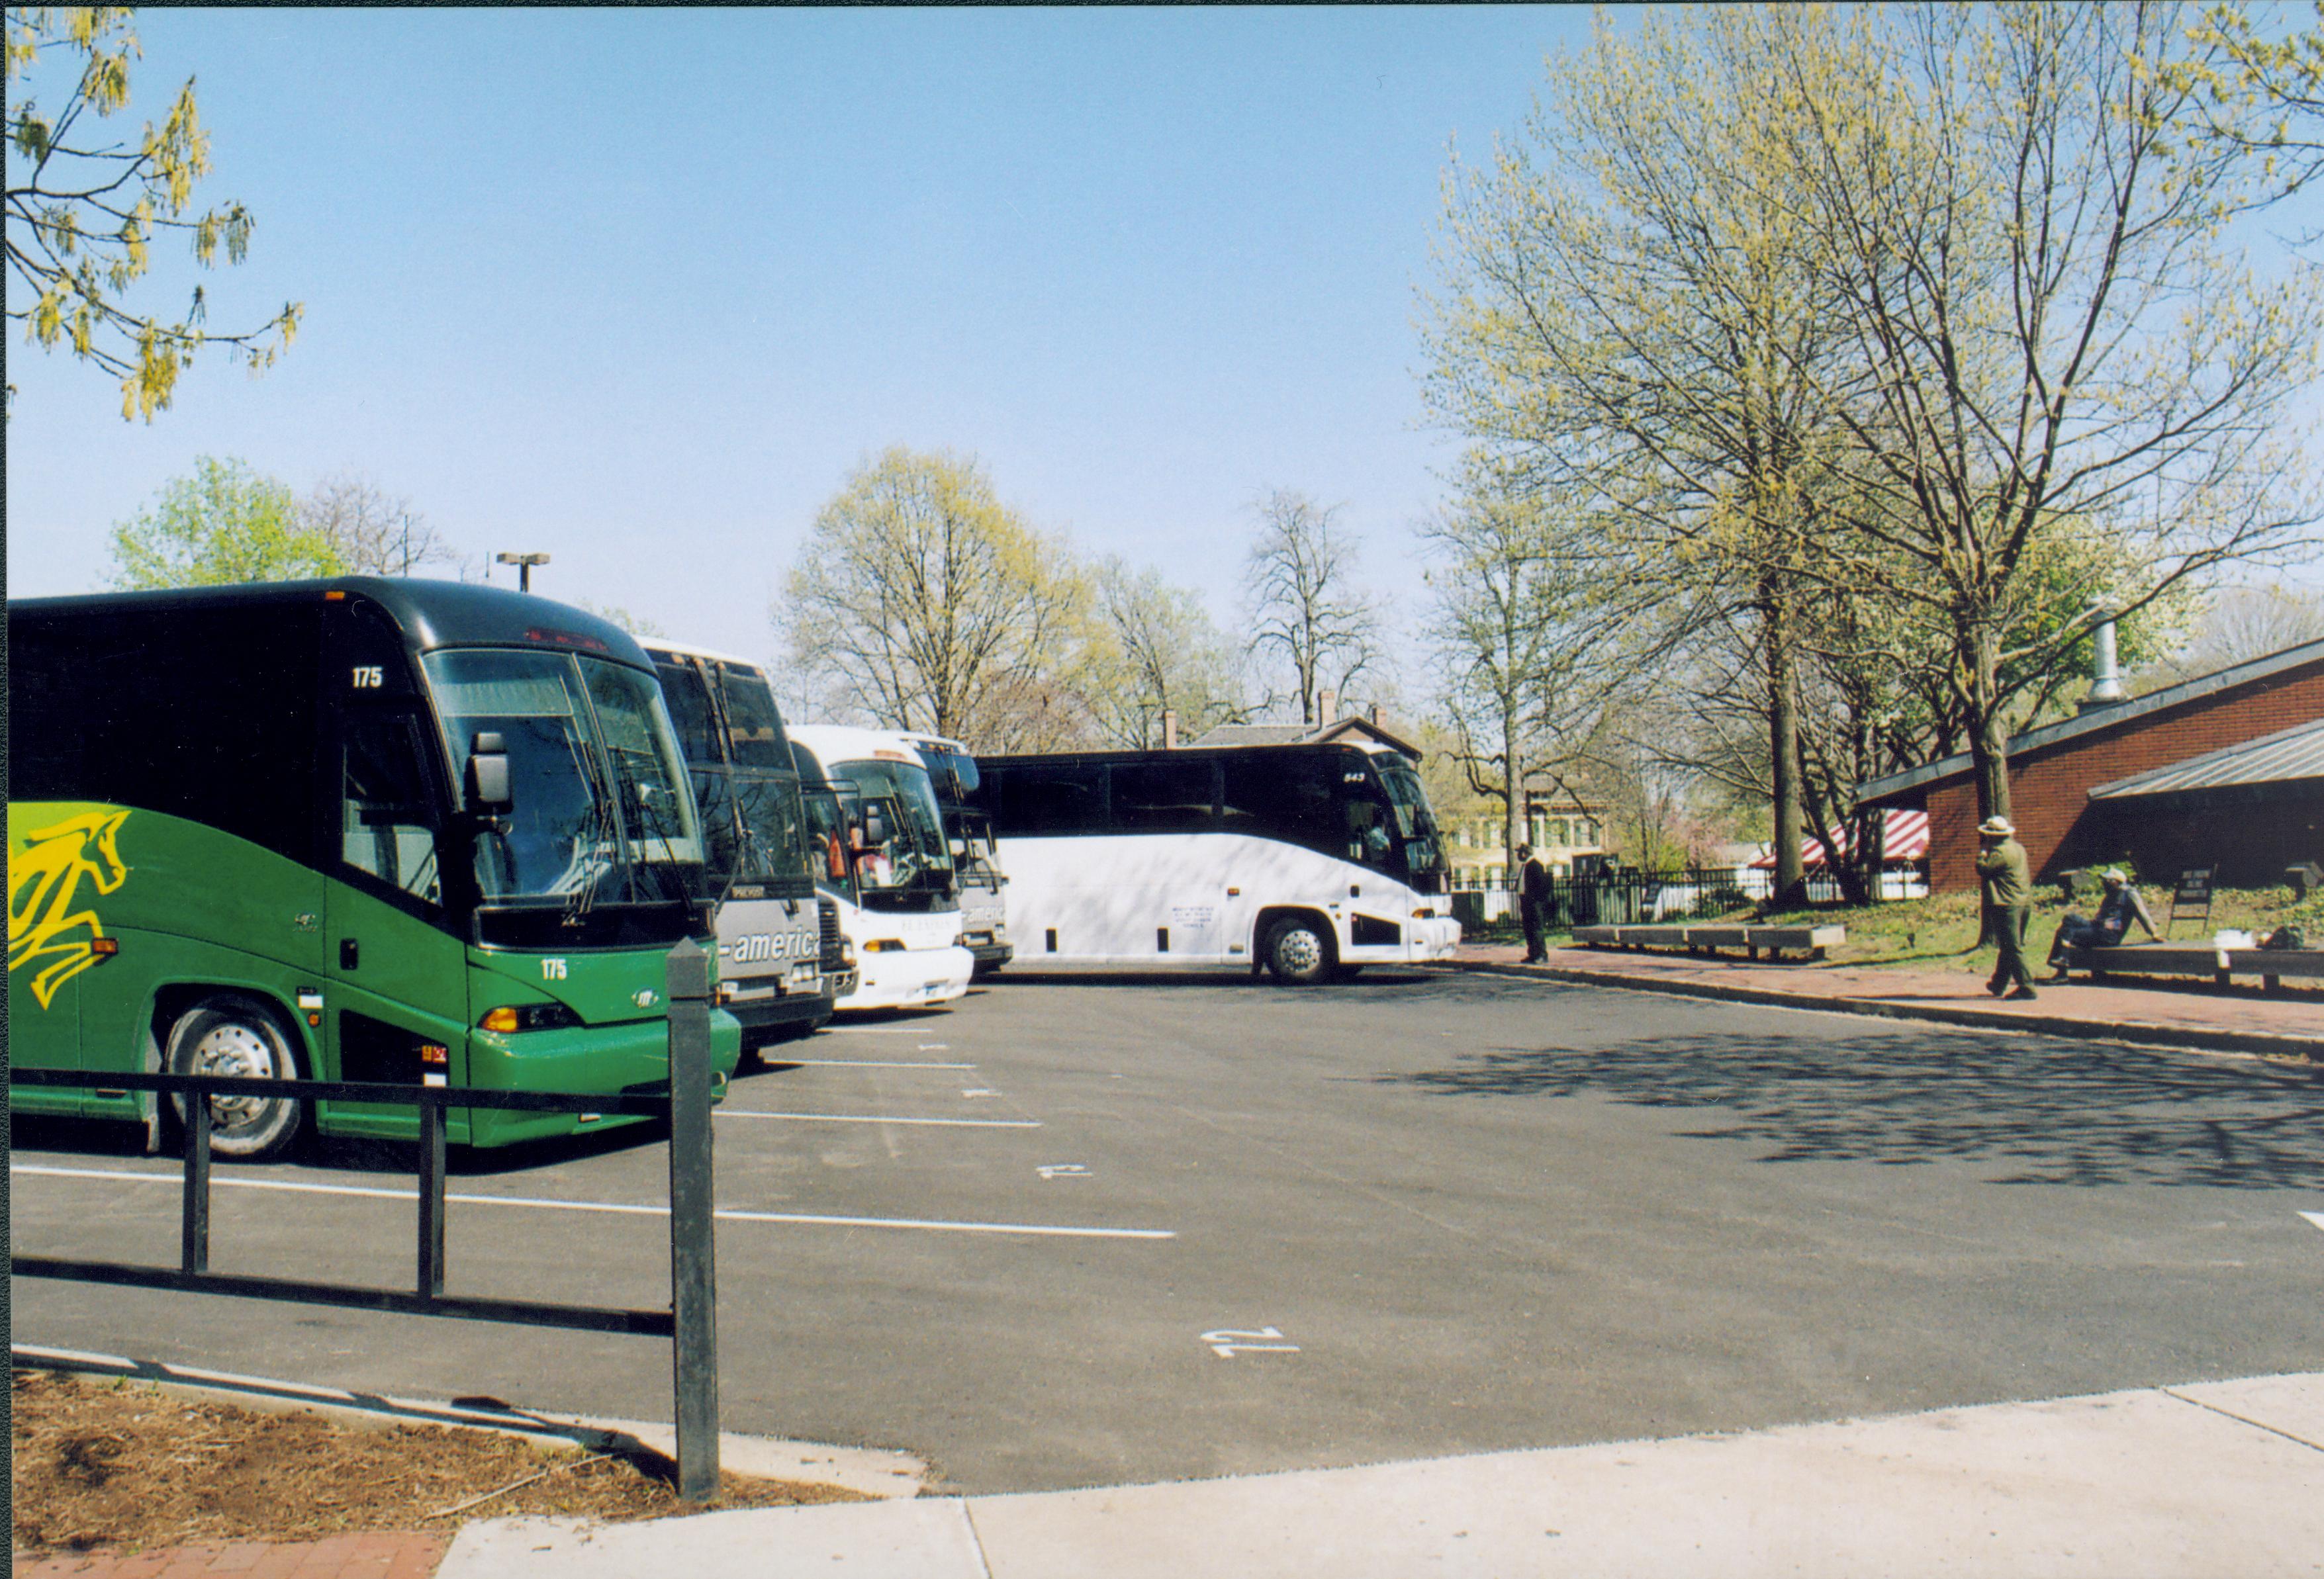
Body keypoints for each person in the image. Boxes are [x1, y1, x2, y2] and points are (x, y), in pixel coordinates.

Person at [2047, 868, 2161, 977]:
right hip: (2098, 928)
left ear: (2116, 882)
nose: (2104, 883)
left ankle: (2062, 969)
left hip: (2110, 934)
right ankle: (2062, 960)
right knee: (2070, 918)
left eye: (2107, 881)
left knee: (2067, 932)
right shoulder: (2111, 894)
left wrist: (2154, 933)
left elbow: (2142, 914)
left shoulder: (2129, 894)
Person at [1974, 815, 2037, 1000]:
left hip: (2006, 903)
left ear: (1992, 835)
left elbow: (1983, 869)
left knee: (2012, 947)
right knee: (2009, 945)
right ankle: (1999, 983)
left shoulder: (1999, 853)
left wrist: (1982, 855)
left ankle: (2027, 987)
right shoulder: (2019, 849)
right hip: (2023, 902)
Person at [1517, 842, 1554, 964]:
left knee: (1536, 928)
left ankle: (1541, 955)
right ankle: (1533, 954)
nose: (1518, 855)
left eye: (1519, 852)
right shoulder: (1526, 865)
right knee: (1529, 928)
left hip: (1534, 902)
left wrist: (1535, 900)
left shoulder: (1535, 865)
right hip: (1525, 901)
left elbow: (1540, 885)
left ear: (1525, 853)